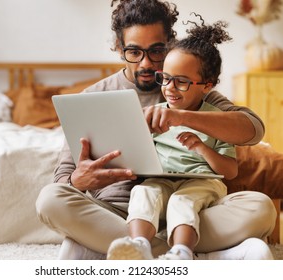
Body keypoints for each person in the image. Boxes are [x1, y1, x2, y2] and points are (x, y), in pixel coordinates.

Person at [36, 0, 276, 260]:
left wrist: (181, 116)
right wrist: (80, 180)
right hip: (116, 212)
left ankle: (105, 247)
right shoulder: (92, 97)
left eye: (156, 51)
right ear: (119, 48)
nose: (146, 64)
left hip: (193, 210)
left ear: (170, 44)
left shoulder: (189, 92)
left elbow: (253, 130)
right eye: (135, 52)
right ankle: (203, 256)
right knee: (50, 200)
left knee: (261, 207)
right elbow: (63, 179)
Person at [106, 16, 270, 260]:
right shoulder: (156, 114)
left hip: (202, 182)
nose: (170, 88)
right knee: (142, 193)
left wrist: (202, 148)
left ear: (207, 86)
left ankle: (182, 252)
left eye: (181, 82)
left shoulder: (217, 119)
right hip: (161, 180)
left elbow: (230, 171)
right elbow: (136, 156)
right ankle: (139, 245)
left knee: (181, 201)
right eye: (166, 78)